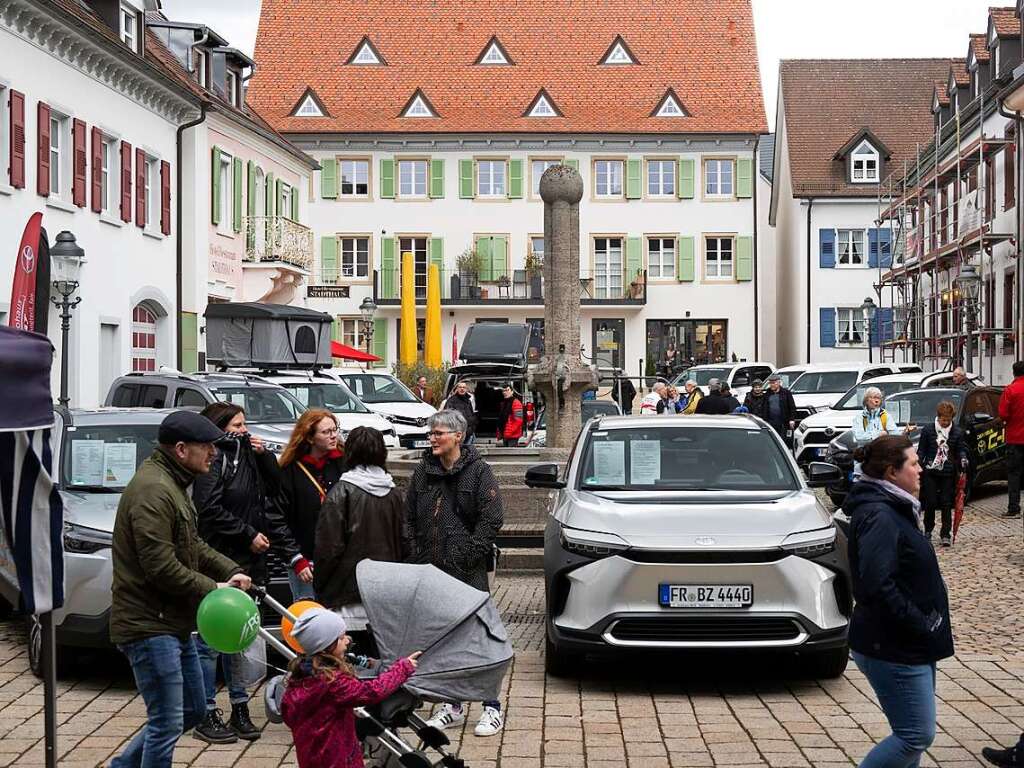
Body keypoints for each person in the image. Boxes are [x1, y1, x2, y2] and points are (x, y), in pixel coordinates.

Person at [109, 411, 251, 768]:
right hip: (148, 625)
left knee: (189, 711)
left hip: (170, 621)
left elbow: (193, 544)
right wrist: (213, 587)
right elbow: (160, 567)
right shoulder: (154, 490)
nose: (214, 454)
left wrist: (230, 568)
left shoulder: (174, 483)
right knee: (167, 722)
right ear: (182, 449)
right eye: (207, 447)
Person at [192, 402, 305, 744]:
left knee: (239, 637)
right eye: (236, 425)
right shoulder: (215, 460)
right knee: (212, 640)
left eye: (244, 424)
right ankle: (206, 709)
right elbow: (208, 509)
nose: (243, 430)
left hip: (252, 561)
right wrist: (247, 533)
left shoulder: (247, 456)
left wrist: (265, 458)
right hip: (221, 559)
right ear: (218, 428)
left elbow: (276, 491)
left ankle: (240, 704)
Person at [844, 435, 953, 768]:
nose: (921, 469)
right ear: (892, 472)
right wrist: (921, 622)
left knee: (911, 739)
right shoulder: (881, 514)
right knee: (914, 735)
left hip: (909, 642)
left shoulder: (896, 506)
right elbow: (878, 584)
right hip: (893, 644)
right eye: (914, 463)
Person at [405, 410, 505, 737]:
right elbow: (408, 516)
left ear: (457, 436)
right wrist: (414, 552)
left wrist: (469, 554)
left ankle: (491, 707)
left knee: (478, 639)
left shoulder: (478, 472)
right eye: (431, 432)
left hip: (467, 572)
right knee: (442, 641)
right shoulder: (423, 471)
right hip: (430, 570)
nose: (432, 438)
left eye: (439, 433)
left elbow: (491, 519)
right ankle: (452, 703)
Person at [281, 607, 421, 768]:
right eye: (341, 638)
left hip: (311, 756)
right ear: (326, 645)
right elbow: (372, 692)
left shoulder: (299, 678)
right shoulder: (332, 683)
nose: (347, 640)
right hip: (338, 758)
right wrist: (402, 668)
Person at [313, 426, 410, 640]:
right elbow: (405, 542)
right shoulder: (394, 494)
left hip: (346, 596)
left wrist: (320, 586)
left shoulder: (341, 493)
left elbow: (328, 548)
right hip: (386, 596)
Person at [278, 409, 346, 601]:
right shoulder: (290, 470)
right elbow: (277, 518)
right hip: (305, 560)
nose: (333, 435)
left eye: (335, 430)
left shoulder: (342, 463)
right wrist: (295, 557)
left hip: (337, 560)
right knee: (308, 618)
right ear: (309, 437)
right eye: (326, 432)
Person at [917, 401, 968, 547]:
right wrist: (918, 462)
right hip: (931, 470)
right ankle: (928, 530)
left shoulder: (957, 432)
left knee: (946, 502)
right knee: (931, 501)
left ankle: (945, 533)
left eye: (948, 420)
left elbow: (960, 449)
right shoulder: (928, 430)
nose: (945, 423)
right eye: (943, 420)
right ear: (938, 417)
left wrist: (963, 458)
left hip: (948, 471)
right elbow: (922, 450)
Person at [998, 361, 1024, 518]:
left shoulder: (1010, 390)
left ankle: (1014, 508)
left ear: (1014, 373)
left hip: (1015, 438)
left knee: (1014, 474)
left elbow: (1003, 414)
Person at [763, 373, 797, 439]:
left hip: (783, 422)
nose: (772, 385)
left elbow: (792, 407)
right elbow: (764, 407)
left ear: (779, 383)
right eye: (770, 383)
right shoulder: (767, 393)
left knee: (783, 439)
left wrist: (792, 419)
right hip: (771, 422)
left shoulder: (786, 393)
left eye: (774, 383)